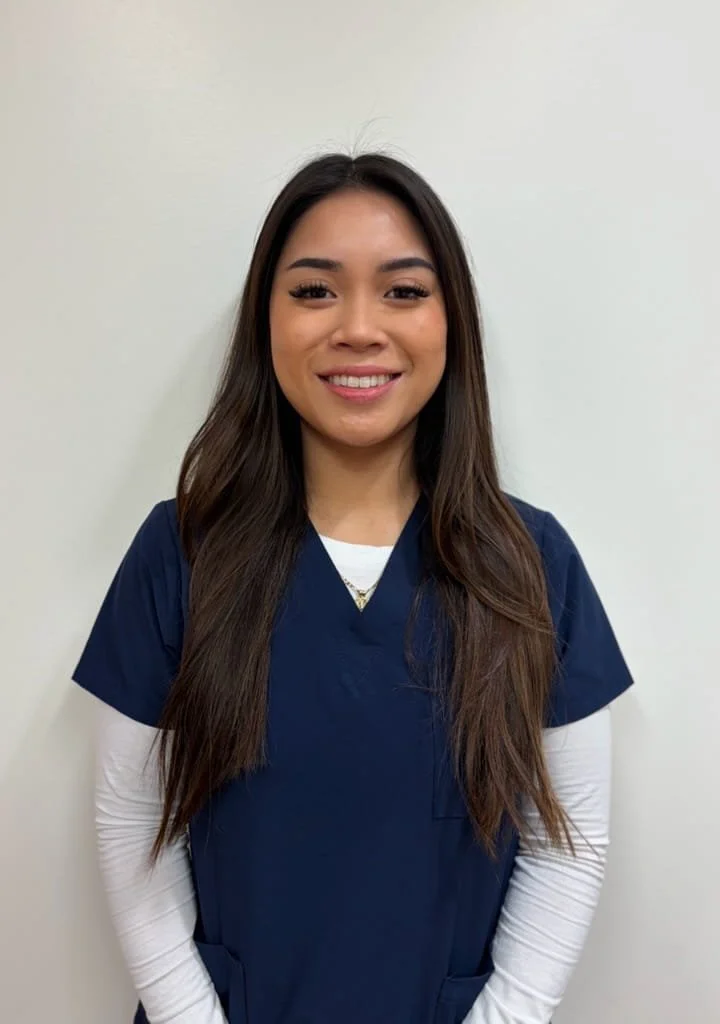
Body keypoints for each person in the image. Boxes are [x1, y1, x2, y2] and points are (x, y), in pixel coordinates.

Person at [72, 151, 634, 1024]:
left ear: (453, 323)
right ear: (266, 320)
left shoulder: (531, 564)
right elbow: (130, 829)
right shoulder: (181, 550)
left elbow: (571, 848)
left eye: (404, 291)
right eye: (314, 291)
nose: (360, 328)